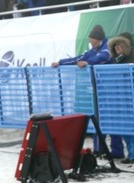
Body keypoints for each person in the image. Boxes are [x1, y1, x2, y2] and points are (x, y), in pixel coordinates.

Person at [51, 25, 124, 159]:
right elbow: (78, 58)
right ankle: (99, 149)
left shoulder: (107, 48)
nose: (90, 41)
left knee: (112, 120)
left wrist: (87, 62)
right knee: (98, 119)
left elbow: (102, 57)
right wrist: (60, 62)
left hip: (111, 92)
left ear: (97, 38)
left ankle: (117, 151)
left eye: (91, 38)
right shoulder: (93, 50)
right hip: (99, 92)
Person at [108, 33, 134, 164]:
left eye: (120, 45)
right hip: (121, 99)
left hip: (133, 99)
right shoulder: (114, 61)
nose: (117, 48)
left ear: (126, 46)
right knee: (125, 128)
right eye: (115, 46)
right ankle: (130, 154)